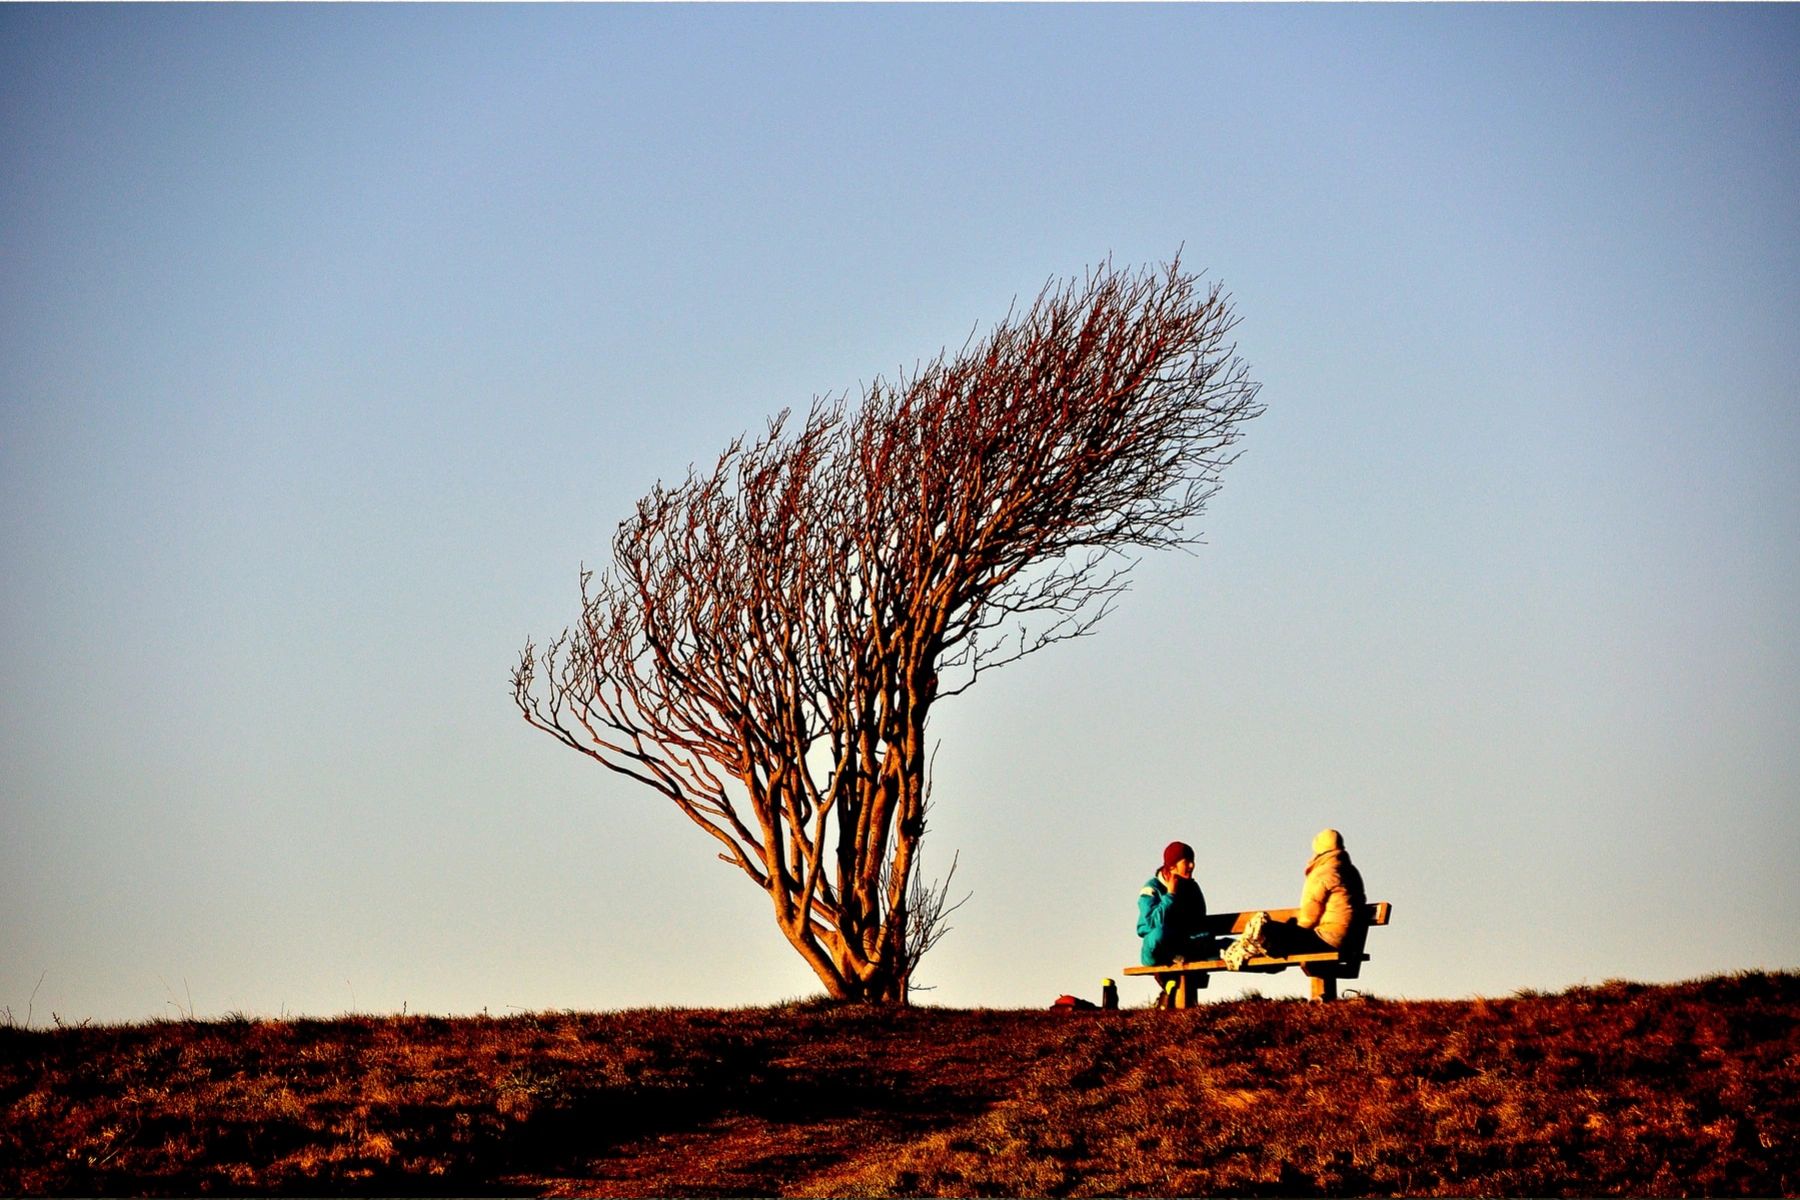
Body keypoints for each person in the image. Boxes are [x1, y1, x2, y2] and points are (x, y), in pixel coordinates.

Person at [1229, 828, 1367, 966]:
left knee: (1264, 929)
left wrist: (1293, 934)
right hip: (1349, 941)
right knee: (1273, 932)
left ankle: (1252, 949)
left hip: (1327, 941)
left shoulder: (1323, 873)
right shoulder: (1350, 871)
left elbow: (1309, 917)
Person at [1137, 841, 1220, 967]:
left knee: (1226, 946)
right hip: (1157, 949)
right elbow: (1149, 924)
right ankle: (1174, 959)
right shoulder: (1151, 888)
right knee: (1158, 934)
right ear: (1172, 866)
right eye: (1186, 862)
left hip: (1184, 945)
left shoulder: (1192, 888)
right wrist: (1170, 895)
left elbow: (1199, 922)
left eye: (1193, 861)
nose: (1192, 865)